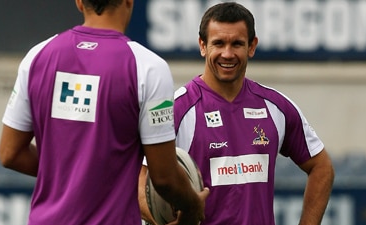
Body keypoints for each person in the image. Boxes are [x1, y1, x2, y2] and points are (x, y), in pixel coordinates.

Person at [0, 0, 208, 224]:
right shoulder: (149, 68)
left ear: (79, 2)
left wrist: (70, 174)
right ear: (129, 1)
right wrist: (193, 206)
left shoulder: (37, 56)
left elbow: (10, 153)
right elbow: (164, 177)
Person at [140, 2, 334, 225]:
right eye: (218, 43)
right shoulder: (178, 108)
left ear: (252, 46)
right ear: (202, 45)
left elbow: (321, 167)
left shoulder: (275, 106)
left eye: (237, 44)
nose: (227, 53)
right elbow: (139, 180)